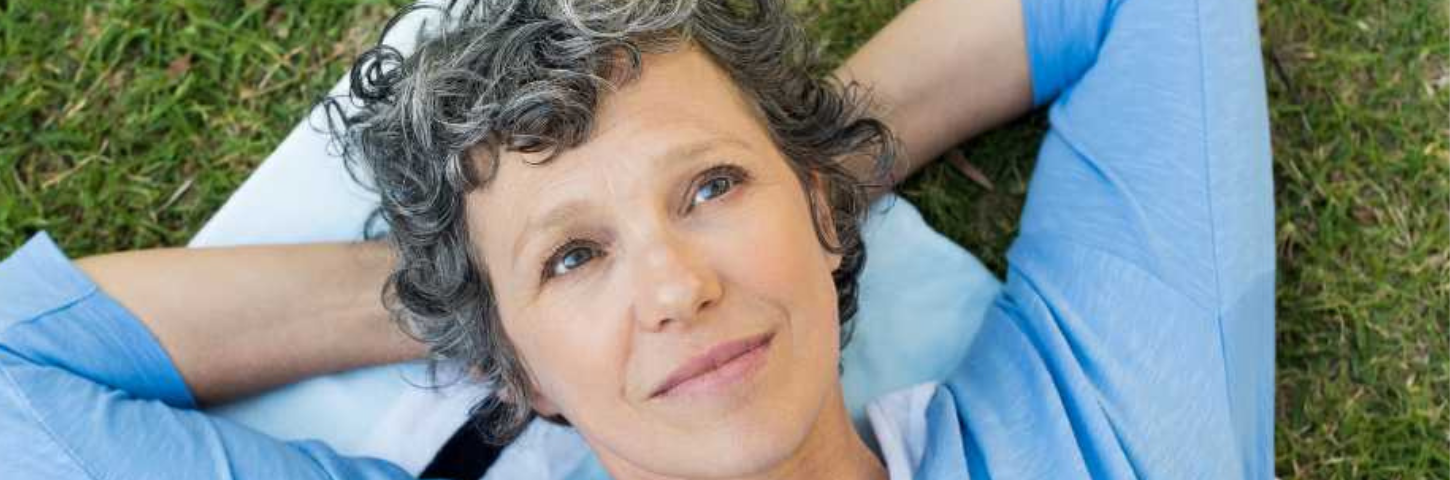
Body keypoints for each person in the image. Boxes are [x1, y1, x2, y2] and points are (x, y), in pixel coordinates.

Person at [0, 0, 1275, 477]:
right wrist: (471, 305)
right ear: (515, 378)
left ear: (824, 212)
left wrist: (817, 155)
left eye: (712, 188)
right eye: (576, 256)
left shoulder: (1105, 428)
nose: (674, 285)